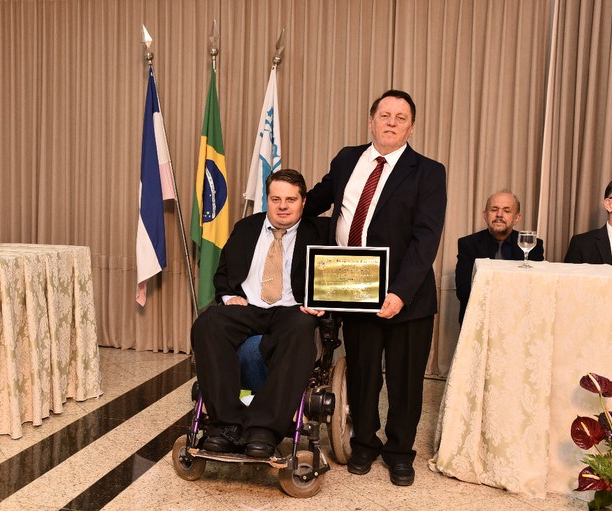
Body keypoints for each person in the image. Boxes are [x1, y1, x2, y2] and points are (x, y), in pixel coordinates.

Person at [304, 90, 447, 486]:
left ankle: (400, 452)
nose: (391, 122)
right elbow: (314, 202)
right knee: (364, 375)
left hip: (407, 297)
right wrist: (275, 210)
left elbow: (426, 239)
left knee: (405, 381)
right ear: (371, 121)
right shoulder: (347, 159)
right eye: (385, 115)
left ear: (411, 128)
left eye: (401, 118)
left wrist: (399, 293)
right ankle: (364, 443)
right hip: (354, 288)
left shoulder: (428, 172)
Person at [191, 169, 329, 459]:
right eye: (276, 199)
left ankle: (263, 429)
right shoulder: (246, 227)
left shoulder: (322, 232)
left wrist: (322, 300)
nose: (283, 206)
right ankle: (225, 426)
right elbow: (223, 273)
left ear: (303, 201)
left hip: (293, 308)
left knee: (301, 328)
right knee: (208, 323)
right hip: (249, 307)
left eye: (291, 199)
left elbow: (338, 274)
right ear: (267, 200)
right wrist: (228, 297)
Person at [455, 190, 544, 324]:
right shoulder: (468, 244)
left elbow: (537, 290)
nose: (499, 215)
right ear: (485, 215)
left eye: (506, 211)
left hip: (519, 320)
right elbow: (463, 291)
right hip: (478, 320)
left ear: (517, 218)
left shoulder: (532, 245)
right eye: (494, 209)